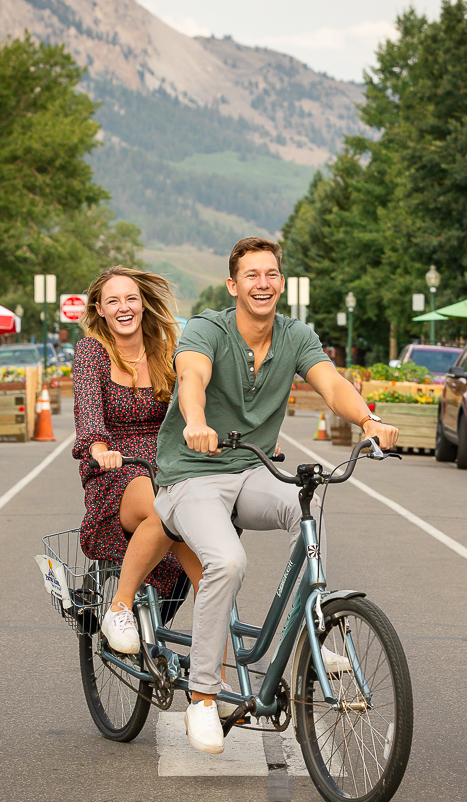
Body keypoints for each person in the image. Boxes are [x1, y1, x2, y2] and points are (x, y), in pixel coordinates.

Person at [153, 237, 400, 755]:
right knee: (227, 560)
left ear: (280, 283)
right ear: (233, 284)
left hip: (252, 469)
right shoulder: (206, 328)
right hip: (191, 475)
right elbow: (191, 376)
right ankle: (201, 696)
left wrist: (368, 420)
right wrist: (194, 422)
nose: (262, 283)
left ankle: (311, 628)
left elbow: (329, 383)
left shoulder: (294, 335)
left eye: (270, 274)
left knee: (305, 509)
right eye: (251, 275)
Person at [71, 267, 205, 654]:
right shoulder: (92, 352)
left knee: (212, 575)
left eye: (130, 298)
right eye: (113, 300)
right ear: (99, 309)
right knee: (163, 506)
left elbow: (195, 405)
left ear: (143, 303)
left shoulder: (168, 352)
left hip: (168, 465)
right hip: (116, 469)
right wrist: (99, 449)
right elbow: (89, 416)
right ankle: (120, 607)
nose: (123, 307)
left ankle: (220, 684)